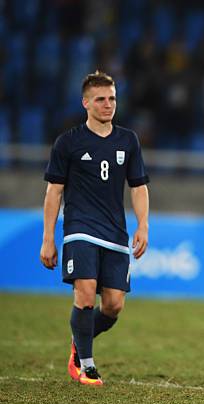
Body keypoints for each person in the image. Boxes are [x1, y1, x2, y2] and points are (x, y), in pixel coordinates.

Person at [40, 71, 150, 386]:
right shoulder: (69, 142)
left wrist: (143, 225)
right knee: (86, 294)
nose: (107, 104)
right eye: (100, 99)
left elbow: (138, 186)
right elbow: (54, 192)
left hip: (115, 233)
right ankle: (86, 364)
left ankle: (80, 340)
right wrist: (48, 238)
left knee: (113, 306)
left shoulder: (128, 140)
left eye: (112, 98)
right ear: (86, 103)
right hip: (80, 229)